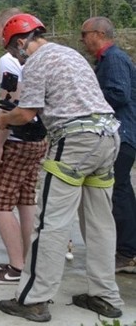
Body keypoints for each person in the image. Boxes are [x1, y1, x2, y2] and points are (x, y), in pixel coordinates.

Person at [0, 13, 123, 322]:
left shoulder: (37, 62)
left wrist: (2, 119)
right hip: (107, 138)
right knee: (100, 224)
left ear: (21, 41)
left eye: (13, 51)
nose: (15, 58)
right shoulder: (70, 54)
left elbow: (25, 114)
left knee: (50, 222)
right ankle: (105, 296)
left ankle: (33, 299)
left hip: (76, 142)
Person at [0, 9, 48, 285]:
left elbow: (9, 103)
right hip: (39, 139)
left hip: (17, 139)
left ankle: (16, 266)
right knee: (25, 200)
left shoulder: (9, 61)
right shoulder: (40, 57)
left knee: (0, 203)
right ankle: (30, 260)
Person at [80, 16, 136, 274]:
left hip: (122, 135)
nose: (82, 40)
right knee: (119, 191)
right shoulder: (108, 59)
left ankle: (127, 252)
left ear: (99, 33)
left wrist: (87, 99)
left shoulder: (113, 59)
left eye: (85, 34)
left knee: (119, 191)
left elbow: (119, 94)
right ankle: (124, 249)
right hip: (122, 134)